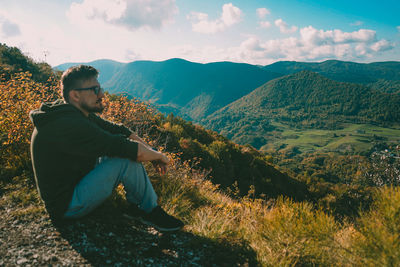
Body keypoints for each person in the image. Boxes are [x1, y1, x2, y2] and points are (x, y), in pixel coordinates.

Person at [29, 65, 183, 231]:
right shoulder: (70, 124)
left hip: (74, 182)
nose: (101, 94)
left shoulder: (70, 112)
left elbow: (119, 130)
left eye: (100, 88)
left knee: (124, 151)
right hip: (66, 206)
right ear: (75, 95)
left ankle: (137, 206)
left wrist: (151, 152)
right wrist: (159, 156)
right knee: (124, 159)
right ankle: (149, 211)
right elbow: (127, 149)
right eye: (95, 89)